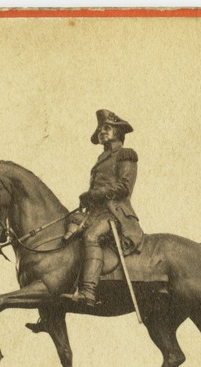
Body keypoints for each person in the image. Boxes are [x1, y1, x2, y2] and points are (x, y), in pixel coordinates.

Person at [62, 109, 146, 306]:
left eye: (106, 128)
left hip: (115, 213)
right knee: (69, 224)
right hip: (97, 211)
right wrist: (88, 200)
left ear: (118, 131)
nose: (102, 132)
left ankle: (88, 292)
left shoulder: (125, 155)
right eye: (100, 129)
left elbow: (124, 187)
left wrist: (94, 194)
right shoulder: (101, 159)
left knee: (91, 236)